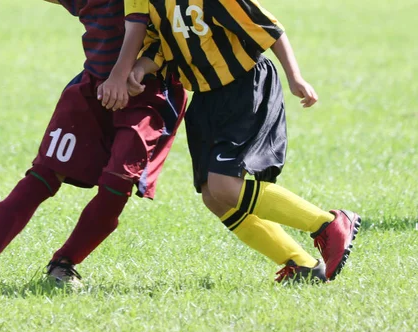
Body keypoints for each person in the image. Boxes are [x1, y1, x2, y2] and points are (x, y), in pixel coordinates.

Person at [122, 0, 360, 283]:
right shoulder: (154, 3)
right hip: (205, 100)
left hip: (246, 87)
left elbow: (270, 29)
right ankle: (304, 265)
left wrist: (295, 77)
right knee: (214, 197)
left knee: (226, 186)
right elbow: (158, 46)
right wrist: (139, 68)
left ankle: (329, 223)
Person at [0, 0, 187, 289]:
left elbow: (144, 24)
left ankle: (64, 263)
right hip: (92, 87)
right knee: (42, 175)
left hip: (148, 93)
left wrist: (123, 73)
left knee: (116, 186)